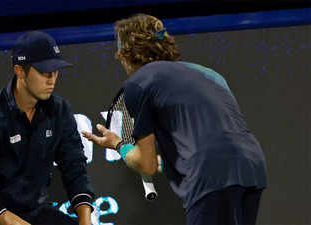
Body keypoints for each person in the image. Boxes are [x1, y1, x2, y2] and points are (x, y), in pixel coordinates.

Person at [82, 14, 267, 225]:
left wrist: (118, 144)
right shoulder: (210, 74)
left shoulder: (139, 82)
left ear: (125, 53)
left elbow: (147, 165)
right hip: (252, 169)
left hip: (211, 175)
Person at [0, 31, 94, 225]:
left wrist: (86, 219)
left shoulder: (60, 110)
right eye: (44, 72)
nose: (51, 79)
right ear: (19, 70)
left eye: (55, 71)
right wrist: (13, 222)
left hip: (35, 213)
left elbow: (74, 167)